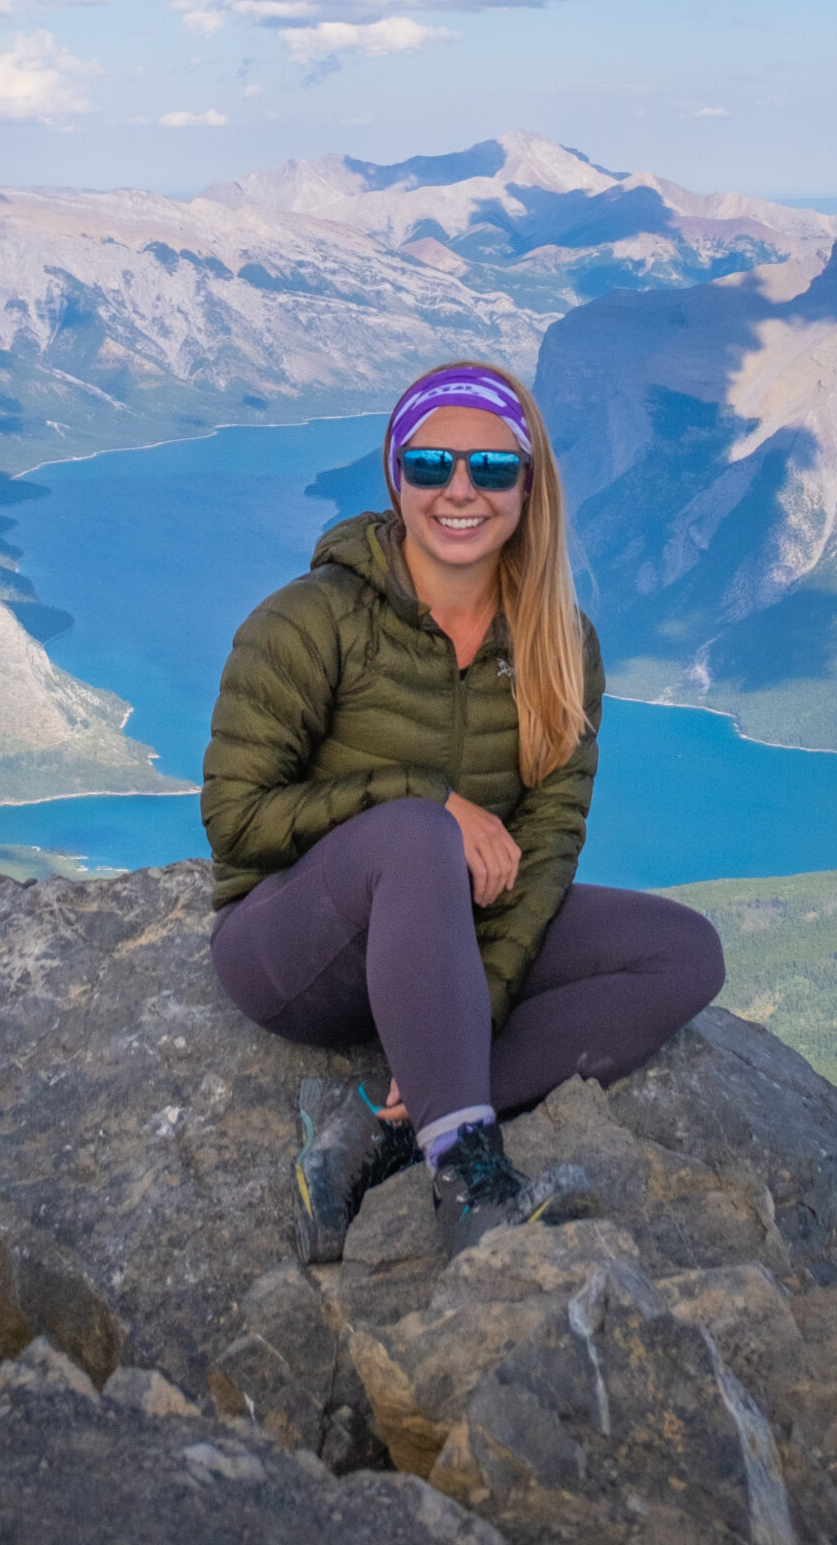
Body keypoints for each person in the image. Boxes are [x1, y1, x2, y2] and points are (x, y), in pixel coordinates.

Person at [202, 360, 726, 1264]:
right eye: (430, 464)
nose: (459, 491)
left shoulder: (560, 643)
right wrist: (423, 798)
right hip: (296, 949)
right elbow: (236, 821)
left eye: (491, 470)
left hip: (447, 945)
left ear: (529, 485)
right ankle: (469, 1174)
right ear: (393, 475)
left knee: (683, 953)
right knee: (415, 834)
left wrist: (474, 1005)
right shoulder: (309, 621)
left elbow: (549, 843)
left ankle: (383, 1126)